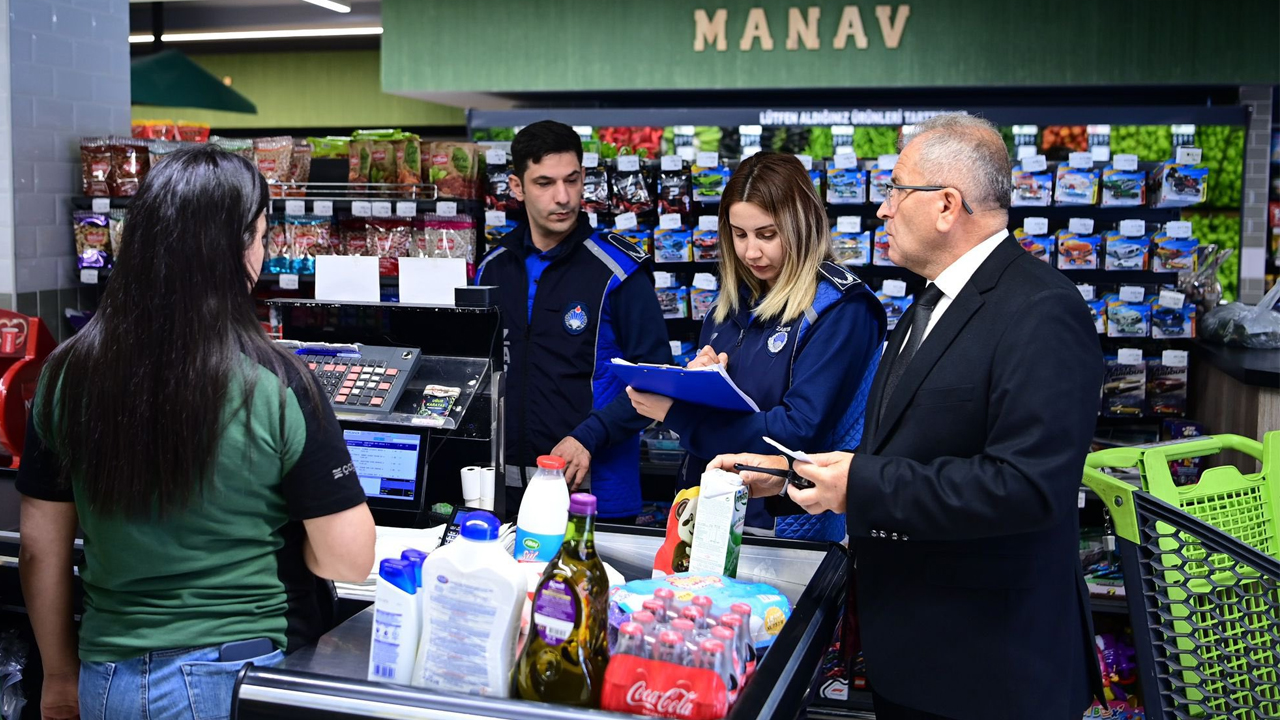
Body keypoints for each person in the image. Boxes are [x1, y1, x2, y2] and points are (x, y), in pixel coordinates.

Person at [711, 114, 1104, 719]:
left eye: (896, 189)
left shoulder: (1041, 311)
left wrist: (860, 485)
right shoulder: (930, 303)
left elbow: (1027, 488)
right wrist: (790, 477)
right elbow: (901, 457)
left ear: (947, 205)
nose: (882, 210)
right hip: (919, 658)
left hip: (991, 674)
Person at [17, 146, 376, 720]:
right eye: (260, 235)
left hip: (105, 676)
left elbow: (40, 548)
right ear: (236, 248)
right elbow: (350, 560)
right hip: (231, 673)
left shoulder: (66, 373)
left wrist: (60, 677)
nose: (263, 251)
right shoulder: (276, 380)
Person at [627, 152, 885, 540]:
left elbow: (797, 432)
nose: (751, 252)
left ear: (803, 225)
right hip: (710, 516)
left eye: (767, 234)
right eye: (739, 233)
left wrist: (679, 413)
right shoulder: (728, 301)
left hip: (787, 530)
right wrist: (697, 385)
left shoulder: (842, 309)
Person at [475, 121, 670, 522]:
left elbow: (658, 381)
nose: (562, 197)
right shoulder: (493, 269)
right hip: (506, 498)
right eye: (544, 182)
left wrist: (588, 437)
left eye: (572, 180)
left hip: (596, 500)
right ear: (516, 186)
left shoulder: (619, 272)